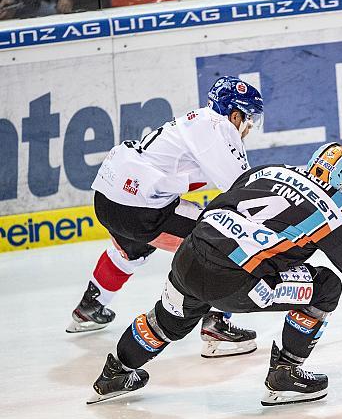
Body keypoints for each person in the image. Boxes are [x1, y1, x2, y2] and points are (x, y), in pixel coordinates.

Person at [87, 142, 342, 406]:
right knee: (326, 286)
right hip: (236, 281)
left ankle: (117, 371)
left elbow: (232, 199)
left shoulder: (269, 171)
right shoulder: (338, 210)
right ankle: (285, 374)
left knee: (167, 320)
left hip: (191, 253)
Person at [68, 76, 263, 359]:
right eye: (249, 119)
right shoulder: (220, 129)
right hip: (140, 207)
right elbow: (242, 190)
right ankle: (216, 326)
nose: (249, 127)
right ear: (235, 115)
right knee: (227, 241)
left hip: (109, 199)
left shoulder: (195, 122)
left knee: (130, 250)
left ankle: (89, 308)